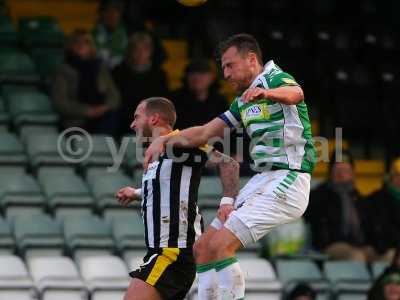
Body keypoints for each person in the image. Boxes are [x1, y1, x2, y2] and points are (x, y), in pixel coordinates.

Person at [144, 33, 316, 299]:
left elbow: (297, 93)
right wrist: (165, 139)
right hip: (263, 180)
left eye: (229, 65)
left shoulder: (273, 78)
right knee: (203, 247)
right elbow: (203, 133)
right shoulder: (243, 101)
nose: (225, 73)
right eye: (223, 67)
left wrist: (267, 93)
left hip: (289, 179)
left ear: (251, 59)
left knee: (223, 246)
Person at [115, 97, 240, 300]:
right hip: (164, 253)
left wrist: (227, 202)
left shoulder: (179, 144)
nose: (132, 124)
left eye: (137, 117)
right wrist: (137, 193)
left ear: (154, 118)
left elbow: (228, 164)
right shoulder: (160, 152)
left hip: (173, 253)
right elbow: (169, 189)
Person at [305, 151, 371, 261]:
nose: (341, 174)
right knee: (357, 256)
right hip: (332, 245)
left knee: (389, 256)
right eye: (337, 170)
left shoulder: (357, 197)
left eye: (345, 170)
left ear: (352, 173)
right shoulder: (320, 194)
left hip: (359, 245)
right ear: (330, 172)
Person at [52, 29, 120, 135]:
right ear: (70, 46)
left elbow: (114, 96)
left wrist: (104, 107)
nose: (81, 45)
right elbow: (60, 103)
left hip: (102, 116)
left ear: (91, 46)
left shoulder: (100, 68)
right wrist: (87, 111)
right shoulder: (63, 70)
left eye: (85, 42)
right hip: (76, 121)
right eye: (77, 42)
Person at [113, 32, 167, 137]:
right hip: (125, 120)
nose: (140, 53)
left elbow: (161, 102)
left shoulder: (159, 74)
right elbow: (117, 100)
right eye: (136, 49)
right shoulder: (118, 72)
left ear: (150, 51)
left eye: (145, 49)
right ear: (130, 51)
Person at [172, 59, 228, 129]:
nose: (196, 77)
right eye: (192, 73)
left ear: (212, 77)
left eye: (202, 73)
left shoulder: (220, 102)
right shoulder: (175, 100)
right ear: (186, 77)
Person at [363, 158, 400, 262]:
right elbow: (380, 232)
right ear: (390, 177)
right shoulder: (377, 200)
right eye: (397, 175)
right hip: (385, 250)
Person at [92, 1, 128, 68]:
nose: (112, 15)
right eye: (108, 11)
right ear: (101, 14)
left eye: (116, 11)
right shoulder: (92, 33)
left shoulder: (127, 33)